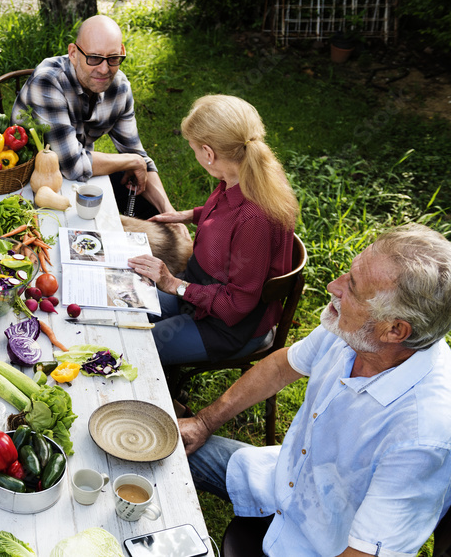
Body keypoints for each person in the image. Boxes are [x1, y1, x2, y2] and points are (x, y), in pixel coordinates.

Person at [181, 223, 451, 556]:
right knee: (163, 447)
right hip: (276, 479)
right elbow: (282, 367)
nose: (332, 286)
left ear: (394, 330)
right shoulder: (354, 329)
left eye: (352, 287)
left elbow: (363, 554)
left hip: (315, 546)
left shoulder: (423, 436)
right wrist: (203, 423)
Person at [128, 95, 297, 366]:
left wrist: (172, 284)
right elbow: (227, 214)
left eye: (193, 148)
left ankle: (165, 397)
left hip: (228, 325)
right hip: (200, 293)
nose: (194, 154)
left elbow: (237, 304)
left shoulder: (255, 218)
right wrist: (190, 215)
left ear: (208, 153)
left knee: (137, 349)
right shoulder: (244, 173)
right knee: (125, 311)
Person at [11, 14, 180, 225]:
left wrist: (171, 213)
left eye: (113, 58)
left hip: (75, 180)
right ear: (73, 53)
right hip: (25, 184)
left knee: (155, 212)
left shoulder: (119, 87)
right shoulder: (48, 80)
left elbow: (138, 157)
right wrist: (132, 161)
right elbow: (72, 164)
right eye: (94, 58)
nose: (104, 69)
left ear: (122, 52)